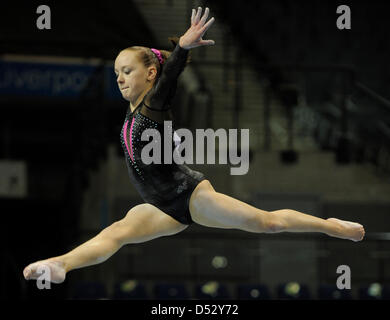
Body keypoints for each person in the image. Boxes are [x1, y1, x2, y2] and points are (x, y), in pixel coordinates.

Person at [23, 7, 365, 284]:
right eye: (116, 74)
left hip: (189, 194)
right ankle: (60, 264)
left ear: (151, 73)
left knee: (267, 223)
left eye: (127, 71)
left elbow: (170, 80)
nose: (120, 78)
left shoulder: (153, 105)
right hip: (158, 205)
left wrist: (182, 50)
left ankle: (331, 225)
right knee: (115, 233)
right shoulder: (131, 109)